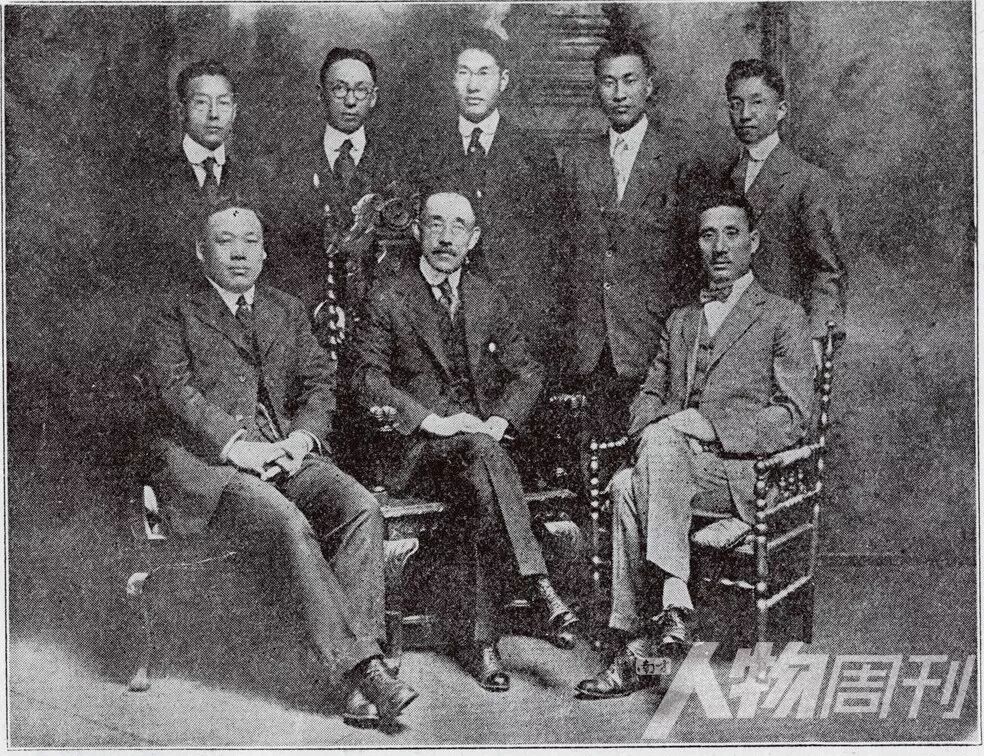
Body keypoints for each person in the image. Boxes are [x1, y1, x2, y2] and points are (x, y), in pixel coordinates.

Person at [142, 196, 417, 728]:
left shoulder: (286, 309)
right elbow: (176, 394)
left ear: (265, 253)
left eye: (251, 242)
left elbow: (319, 384)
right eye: (225, 241)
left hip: (284, 454)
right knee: (288, 522)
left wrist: (301, 439)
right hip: (215, 470)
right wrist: (238, 448)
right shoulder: (174, 313)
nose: (239, 253)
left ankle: (353, 682)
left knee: (360, 507)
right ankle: (367, 671)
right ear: (200, 252)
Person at [575, 191, 815, 699]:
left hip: (741, 476)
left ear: (754, 241)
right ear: (698, 245)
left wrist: (710, 425)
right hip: (673, 469)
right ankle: (646, 637)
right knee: (626, 483)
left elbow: (794, 416)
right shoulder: (681, 321)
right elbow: (644, 402)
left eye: (731, 234)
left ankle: (662, 603)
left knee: (635, 474)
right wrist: (672, 426)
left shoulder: (784, 316)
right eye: (708, 235)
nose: (719, 247)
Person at [350, 188, 579, 692]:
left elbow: (528, 372)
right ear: (417, 232)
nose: (446, 237)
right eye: (435, 224)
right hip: (417, 450)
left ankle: (482, 642)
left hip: (480, 451)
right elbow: (366, 377)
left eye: (458, 227)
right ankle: (538, 584)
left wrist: (499, 421)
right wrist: (431, 421)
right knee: (481, 461)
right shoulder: (387, 295)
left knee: (479, 473)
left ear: (473, 239)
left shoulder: (486, 296)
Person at [559, 36, 704, 436]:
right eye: (609, 82)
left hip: (654, 342)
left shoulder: (680, 159)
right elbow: (565, 254)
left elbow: (694, 262)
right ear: (597, 89)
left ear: (649, 86)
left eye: (629, 80)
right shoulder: (576, 160)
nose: (619, 94)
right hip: (591, 346)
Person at [408, 29, 563, 365]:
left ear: (503, 80)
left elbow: (552, 249)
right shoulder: (427, 149)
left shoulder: (534, 153)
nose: (473, 86)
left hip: (517, 318)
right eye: (464, 73)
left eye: (484, 73)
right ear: (452, 80)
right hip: (443, 316)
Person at [723, 58, 847, 364]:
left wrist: (817, 338)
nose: (745, 114)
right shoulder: (723, 178)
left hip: (782, 336)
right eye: (736, 104)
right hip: (724, 335)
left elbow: (827, 269)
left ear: (781, 110)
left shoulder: (809, 180)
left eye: (757, 103)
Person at [267, 47, 402, 317]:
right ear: (321, 94)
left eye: (361, 90)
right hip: (307, 314)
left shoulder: (397, 163)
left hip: (380, 316)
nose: (350, 101)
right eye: (339, 89)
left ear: (374, 97)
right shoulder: (288, 165)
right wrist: (314, 307)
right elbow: (279, 253)